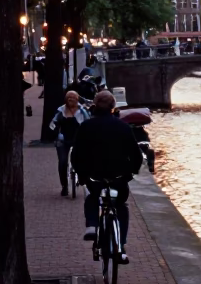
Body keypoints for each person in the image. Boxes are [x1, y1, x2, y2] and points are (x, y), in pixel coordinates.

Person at [71, 91, 144, 262]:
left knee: (92, 198)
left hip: (94, 177)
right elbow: (136, 155)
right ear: (113, 107)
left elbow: (76, 155)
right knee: (121, 207)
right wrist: (129, 174)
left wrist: (82, 175)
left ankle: (91, 225)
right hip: (118, 178)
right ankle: (121, 245)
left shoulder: (86, 127)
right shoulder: (123, 127)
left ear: (95, 105)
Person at [49, 90, 88, 195]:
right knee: (62, 162)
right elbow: (52, 124)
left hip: (78, 140)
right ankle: (64, 186)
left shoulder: (83, 110)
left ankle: (81, 177)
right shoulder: (60, 110)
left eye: (73, 97)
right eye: (68, 97)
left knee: (82, 160)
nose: (71, 99)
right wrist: (56, 132)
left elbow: (88, 123)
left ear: (77, 99)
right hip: (63, 139)